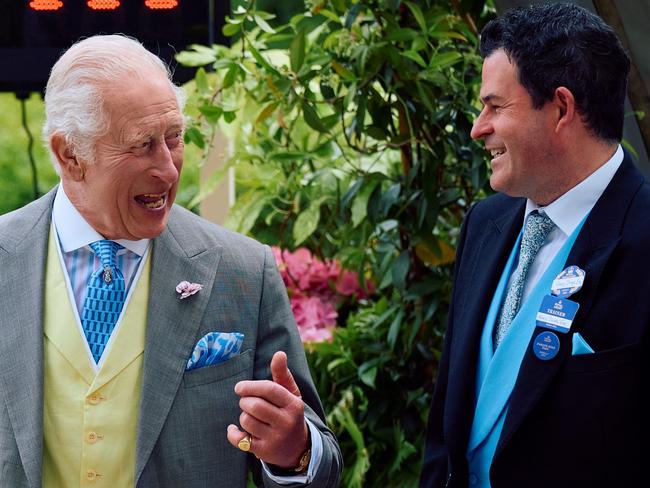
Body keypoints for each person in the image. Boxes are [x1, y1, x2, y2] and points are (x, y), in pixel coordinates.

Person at [0, 35, 341, 487]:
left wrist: (294, 453)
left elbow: (322, 463)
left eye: (174, 137)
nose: (169, 169)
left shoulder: (243, 270)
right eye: (142, 145)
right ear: (70, 155)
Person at [420, 4, 649, 488]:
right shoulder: (485, 223)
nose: (477, 128)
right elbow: (447, 429)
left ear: (562, 109)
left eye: (495, 107)